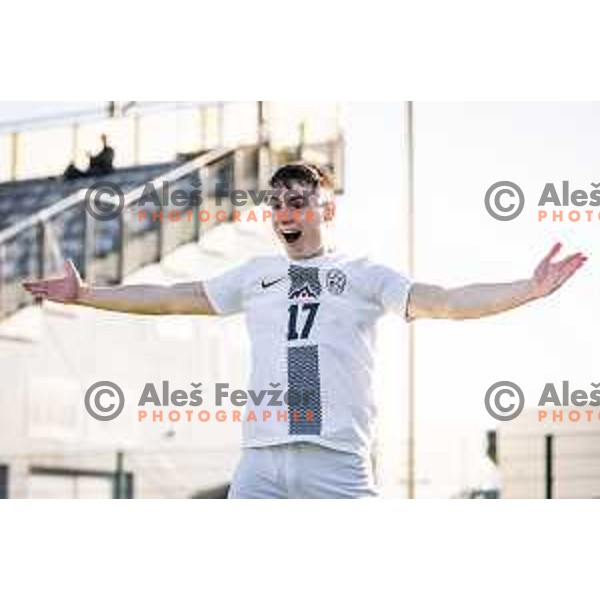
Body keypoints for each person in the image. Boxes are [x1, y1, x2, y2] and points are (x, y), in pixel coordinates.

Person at [23, 163, 588, 499]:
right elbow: (173, 298)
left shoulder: (364, 275)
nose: (285, 212)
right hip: (260, 461)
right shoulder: (255, 275)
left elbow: (446, 302)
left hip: (335, 460)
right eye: (277, 205)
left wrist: (528, 289)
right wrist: (88, 294)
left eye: (298, 202)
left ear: (326, 211)